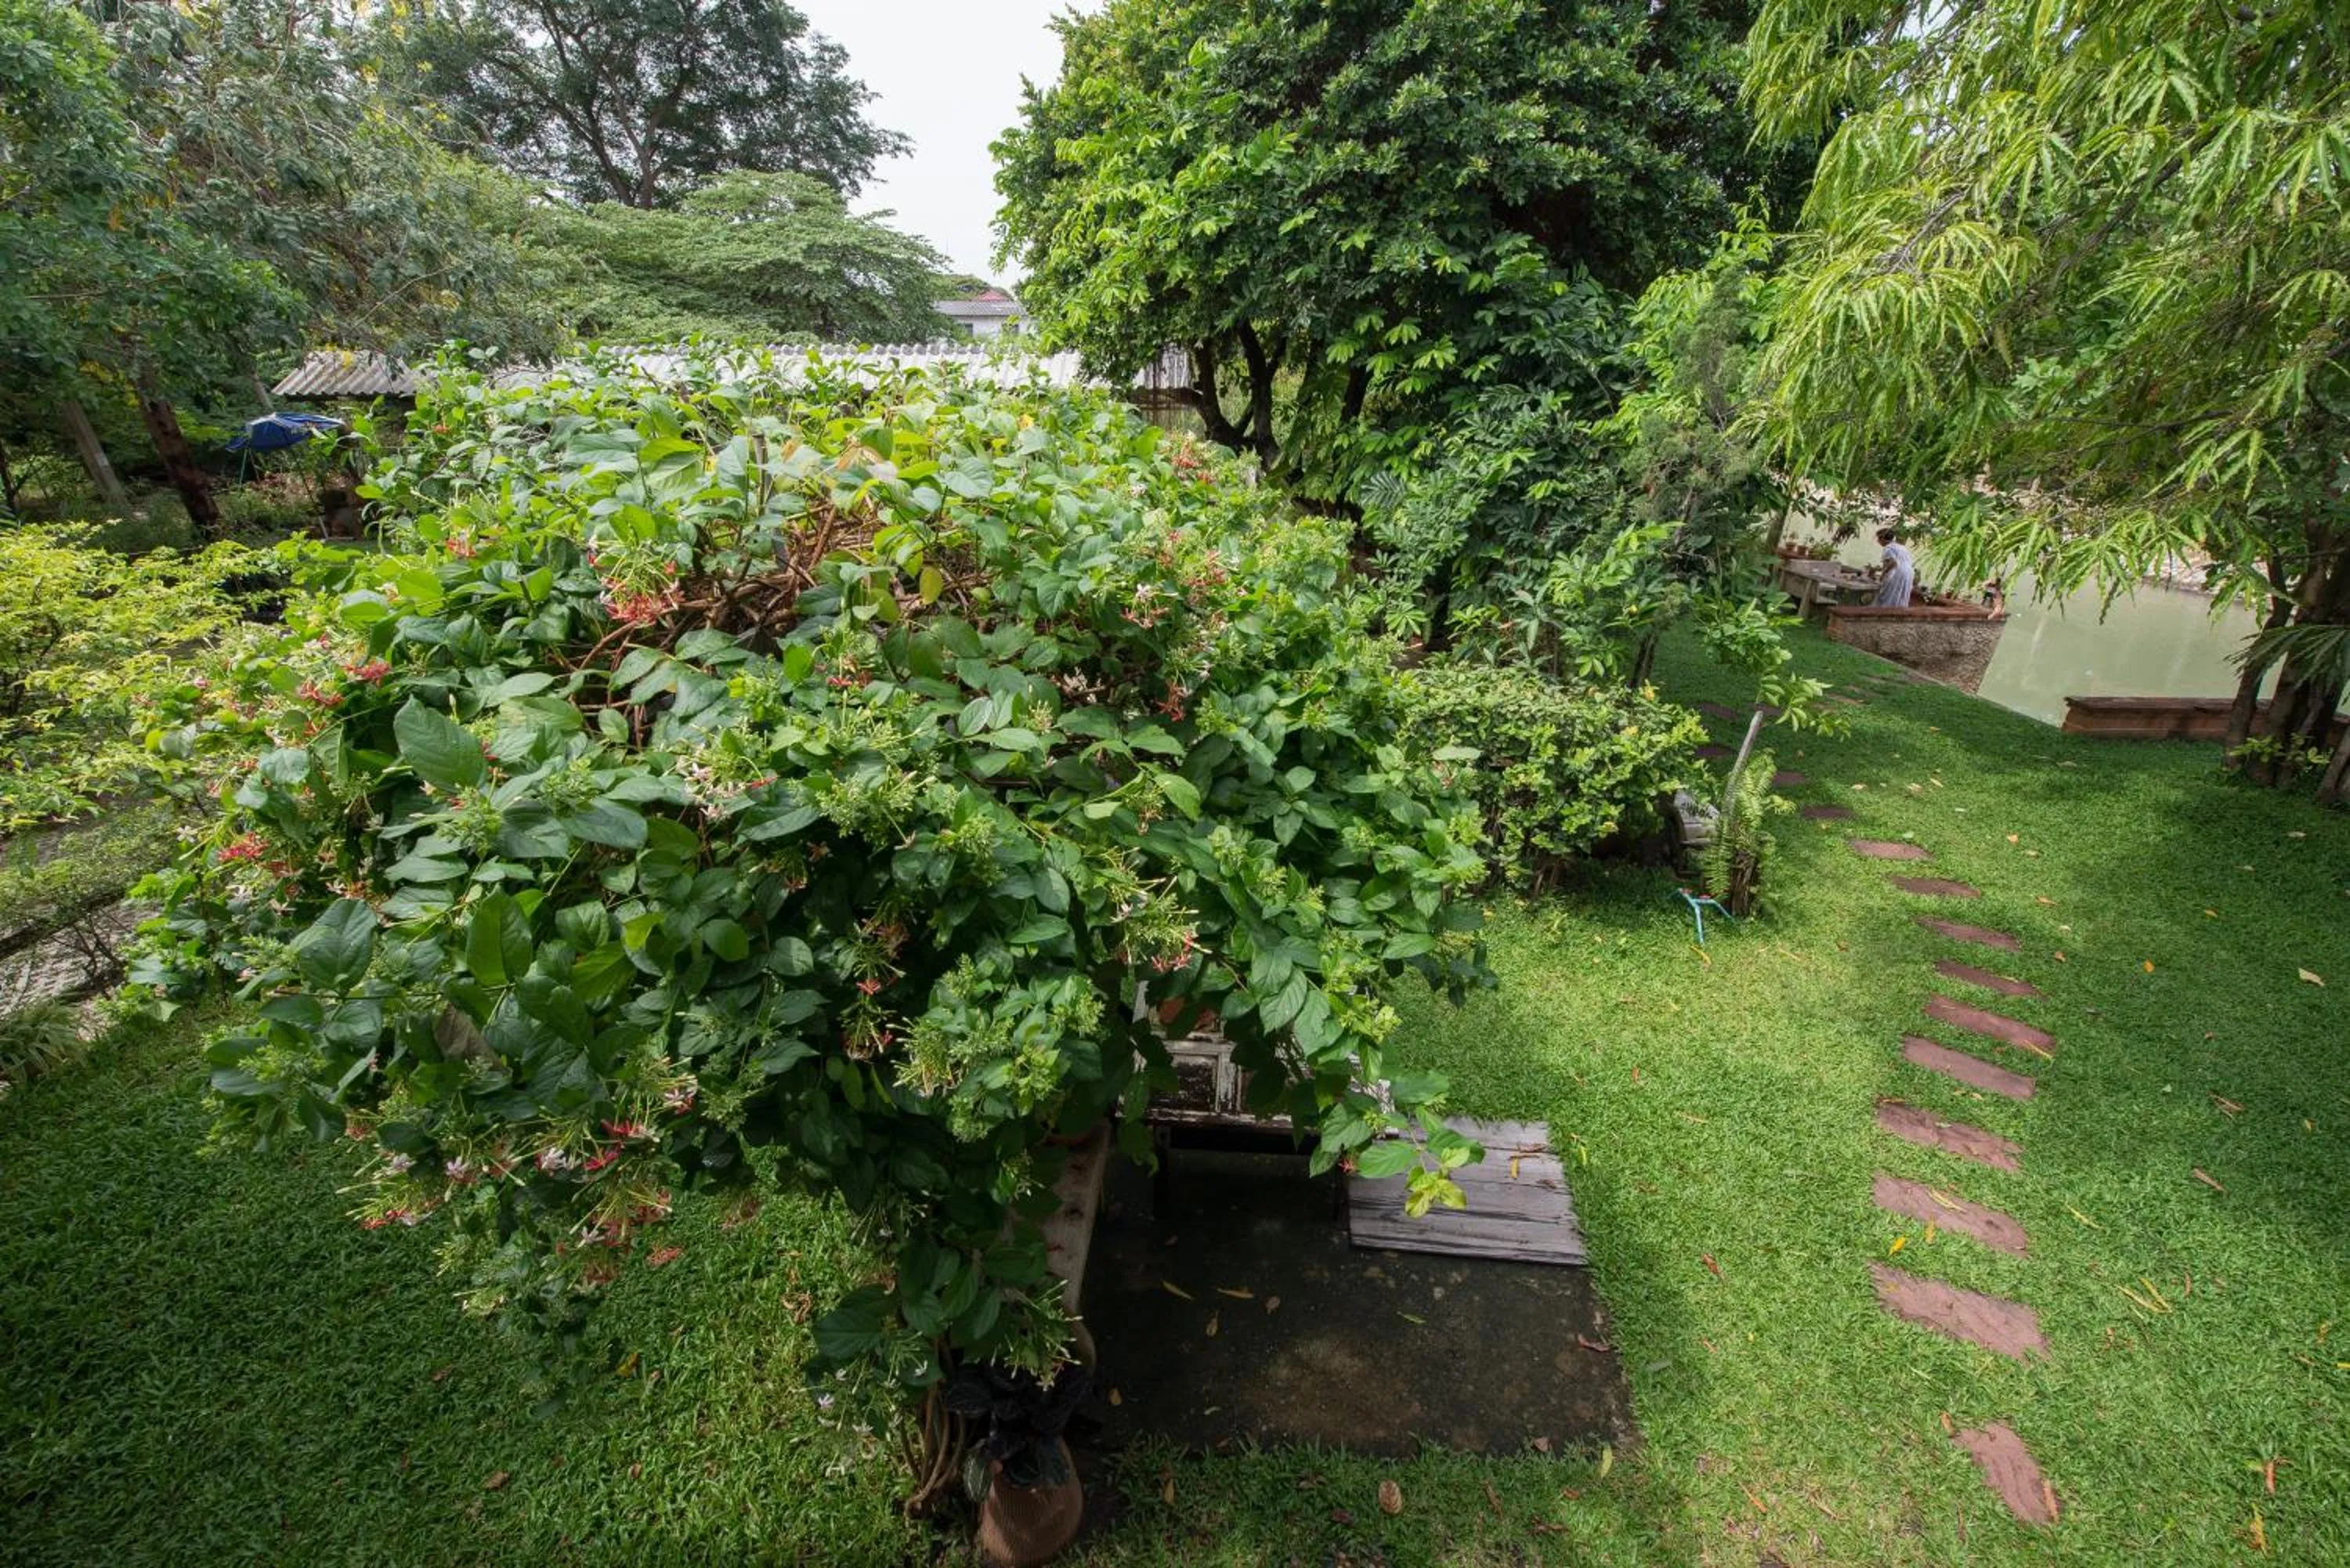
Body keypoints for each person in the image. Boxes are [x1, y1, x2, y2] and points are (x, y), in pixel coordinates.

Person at [1872, 527, 1915, 608]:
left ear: (1883, 539)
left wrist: (1882, 575)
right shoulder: (1901, 547)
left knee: (1889, 595)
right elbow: (1902, 562)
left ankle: (1886, 611)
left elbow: (1893, 563)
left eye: (1878, 539)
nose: (1878, 541)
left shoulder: (1888, 548)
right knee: (1901, 595)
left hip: (1898, 573)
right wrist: (1879, 569)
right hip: (1909, 573)